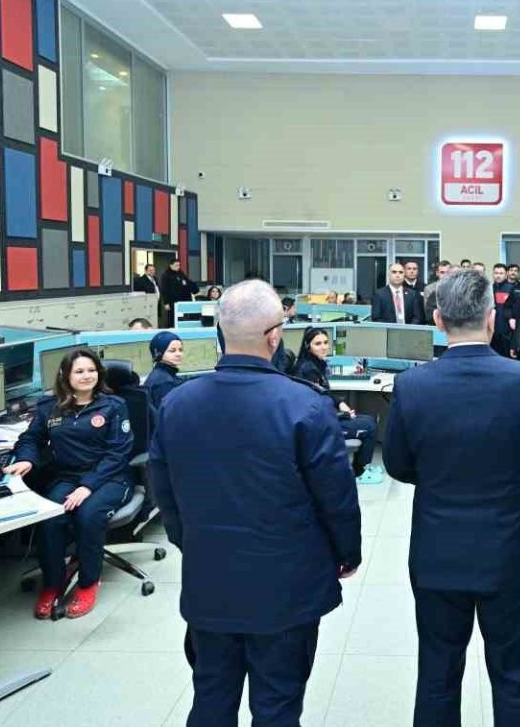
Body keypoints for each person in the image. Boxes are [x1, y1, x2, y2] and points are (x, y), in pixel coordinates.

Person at [147, 280, 361, 726]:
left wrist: (195, 543)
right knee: (277, 706)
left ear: (219, 333)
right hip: (286, 591)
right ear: (274, 335)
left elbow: (164, 491)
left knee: (211, 699)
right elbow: (336, 496)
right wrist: (347, 554)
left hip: (210, 583)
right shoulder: (306, 405)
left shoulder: (177, 404)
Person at [382, 270, 520, 727]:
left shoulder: (412, 385)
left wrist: (441, 478)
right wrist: (510, 475)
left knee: (438, 674)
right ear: (491, 318)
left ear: (438, 319)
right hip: (511, 550)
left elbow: (398, 465)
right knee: (515, 673)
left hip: (439, 552)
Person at [5, 348, 133, 619]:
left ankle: (88, 583)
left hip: (109, 477)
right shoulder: (49, 407)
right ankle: (53, 583)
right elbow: (30, 438)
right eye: (79, 371)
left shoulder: (114, 406)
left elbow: (118, 454)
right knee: (50, 516)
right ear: (65, 375)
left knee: (88, 515)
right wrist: (27, 458)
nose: (87, 376)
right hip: (67, 477)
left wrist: (87, 486)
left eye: (92, 370)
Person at [293, 327, 383, 484]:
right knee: (370, 426)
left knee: (368, 419)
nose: (324, 347)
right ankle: (360, 472)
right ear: (308, 346)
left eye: (326, 342)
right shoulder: (308, 370)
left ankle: (360, 467)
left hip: (323, 418)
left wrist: (340, 403)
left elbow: (324, 394)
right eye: (318, 344)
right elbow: (316, 405)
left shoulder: (313, 364)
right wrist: (341, 415)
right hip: (320, 425)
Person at [143, 331, 185, 413]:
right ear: (159, 354)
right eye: (172, 351)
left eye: (180, 350)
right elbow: (170, 413)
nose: (178, 354)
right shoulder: (164, 382)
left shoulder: (160, 374)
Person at [160, 259, 200, 327]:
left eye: (179, 265)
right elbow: (164, 290)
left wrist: (190, 286)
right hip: (172, 301)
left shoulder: (181, 273)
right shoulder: (166, 275)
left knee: (184, 316)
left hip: (184, 299)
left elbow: (188, 282)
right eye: (176, 265)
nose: (178, 267)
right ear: (171, 265)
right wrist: (166, 302)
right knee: (173, 317)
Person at [490, 263, 516, 357]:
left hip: (506, 332)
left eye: (501, 273)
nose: (498, 275)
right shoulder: (489, 289)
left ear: (506, 274)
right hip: (492, 331)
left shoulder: (512, 289)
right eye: (496, 273)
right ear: (493, 274)